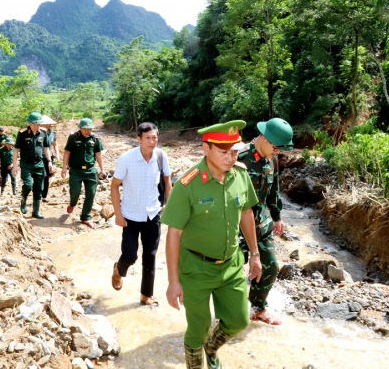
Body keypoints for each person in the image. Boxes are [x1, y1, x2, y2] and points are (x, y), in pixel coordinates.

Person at [161, 120, 262, 369]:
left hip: (230, 265)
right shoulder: (188, 185)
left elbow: (247, 213)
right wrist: (173, 282)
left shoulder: (240, 175)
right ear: (206, 149)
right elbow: (173, 234)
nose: (230, 158)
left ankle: (212, 346)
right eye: (223, 151)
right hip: (196, 268)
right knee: (198, 327)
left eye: (235, 151)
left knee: (239, 320)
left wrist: (255, 254)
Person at [237, 117, 293, 326]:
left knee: (270, 266)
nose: (277, 153)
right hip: (237, 225)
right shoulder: (240, 156)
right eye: (276, 148)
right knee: (232, 270)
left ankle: (258, 308)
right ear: (265, 139)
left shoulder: (272, 158)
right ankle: (227, 311)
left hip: (261, 222)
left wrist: (277, 217)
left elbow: (274, 190)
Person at [110, 122, 172, 307]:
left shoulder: (161, 156)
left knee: (150, 256)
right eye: (147, 138)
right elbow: (114, 186)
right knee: (130, 256)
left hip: (153, 215)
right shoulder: (126, 159)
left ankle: (146, 295)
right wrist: (118, 214)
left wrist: (168, 205)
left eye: (154, 137)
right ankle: (118, 270)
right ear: (138, 139)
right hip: (130, 216)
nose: (152, 141)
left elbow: (168, 182)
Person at [61, 118, 106, 228]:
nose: (87, 131)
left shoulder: (95, 138)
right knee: (75, 193)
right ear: (80, 128)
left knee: (91, 194)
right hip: (75, 170)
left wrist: (102, 169)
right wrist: (64, 168)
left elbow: (98, 154)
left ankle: (86, 217)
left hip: (90, 170)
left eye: (89, 129)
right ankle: (72, 203)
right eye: (85, 129)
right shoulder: (73, 137)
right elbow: (67, 152)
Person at [13, 112, 53, 218]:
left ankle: (36, 211)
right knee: (27, 185)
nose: (36, 127)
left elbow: (46, 148)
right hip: (26, 164)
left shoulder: (43, 133)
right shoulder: (22, 133)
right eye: (34, 124)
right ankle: (23, 200)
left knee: (39, 188)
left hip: (39, 164)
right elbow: (16, 150)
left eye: (38, 124)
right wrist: (15, 165)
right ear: (29, 123)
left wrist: (49, 161)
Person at [41, 116, 58, 203]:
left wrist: (57, 154)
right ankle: (36, 191)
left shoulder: (52, 133)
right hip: (39, 157)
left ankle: (44, 196)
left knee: (47, 176)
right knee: (41, 176)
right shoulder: (38, 133)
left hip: (49, 157)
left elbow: (55, 144)